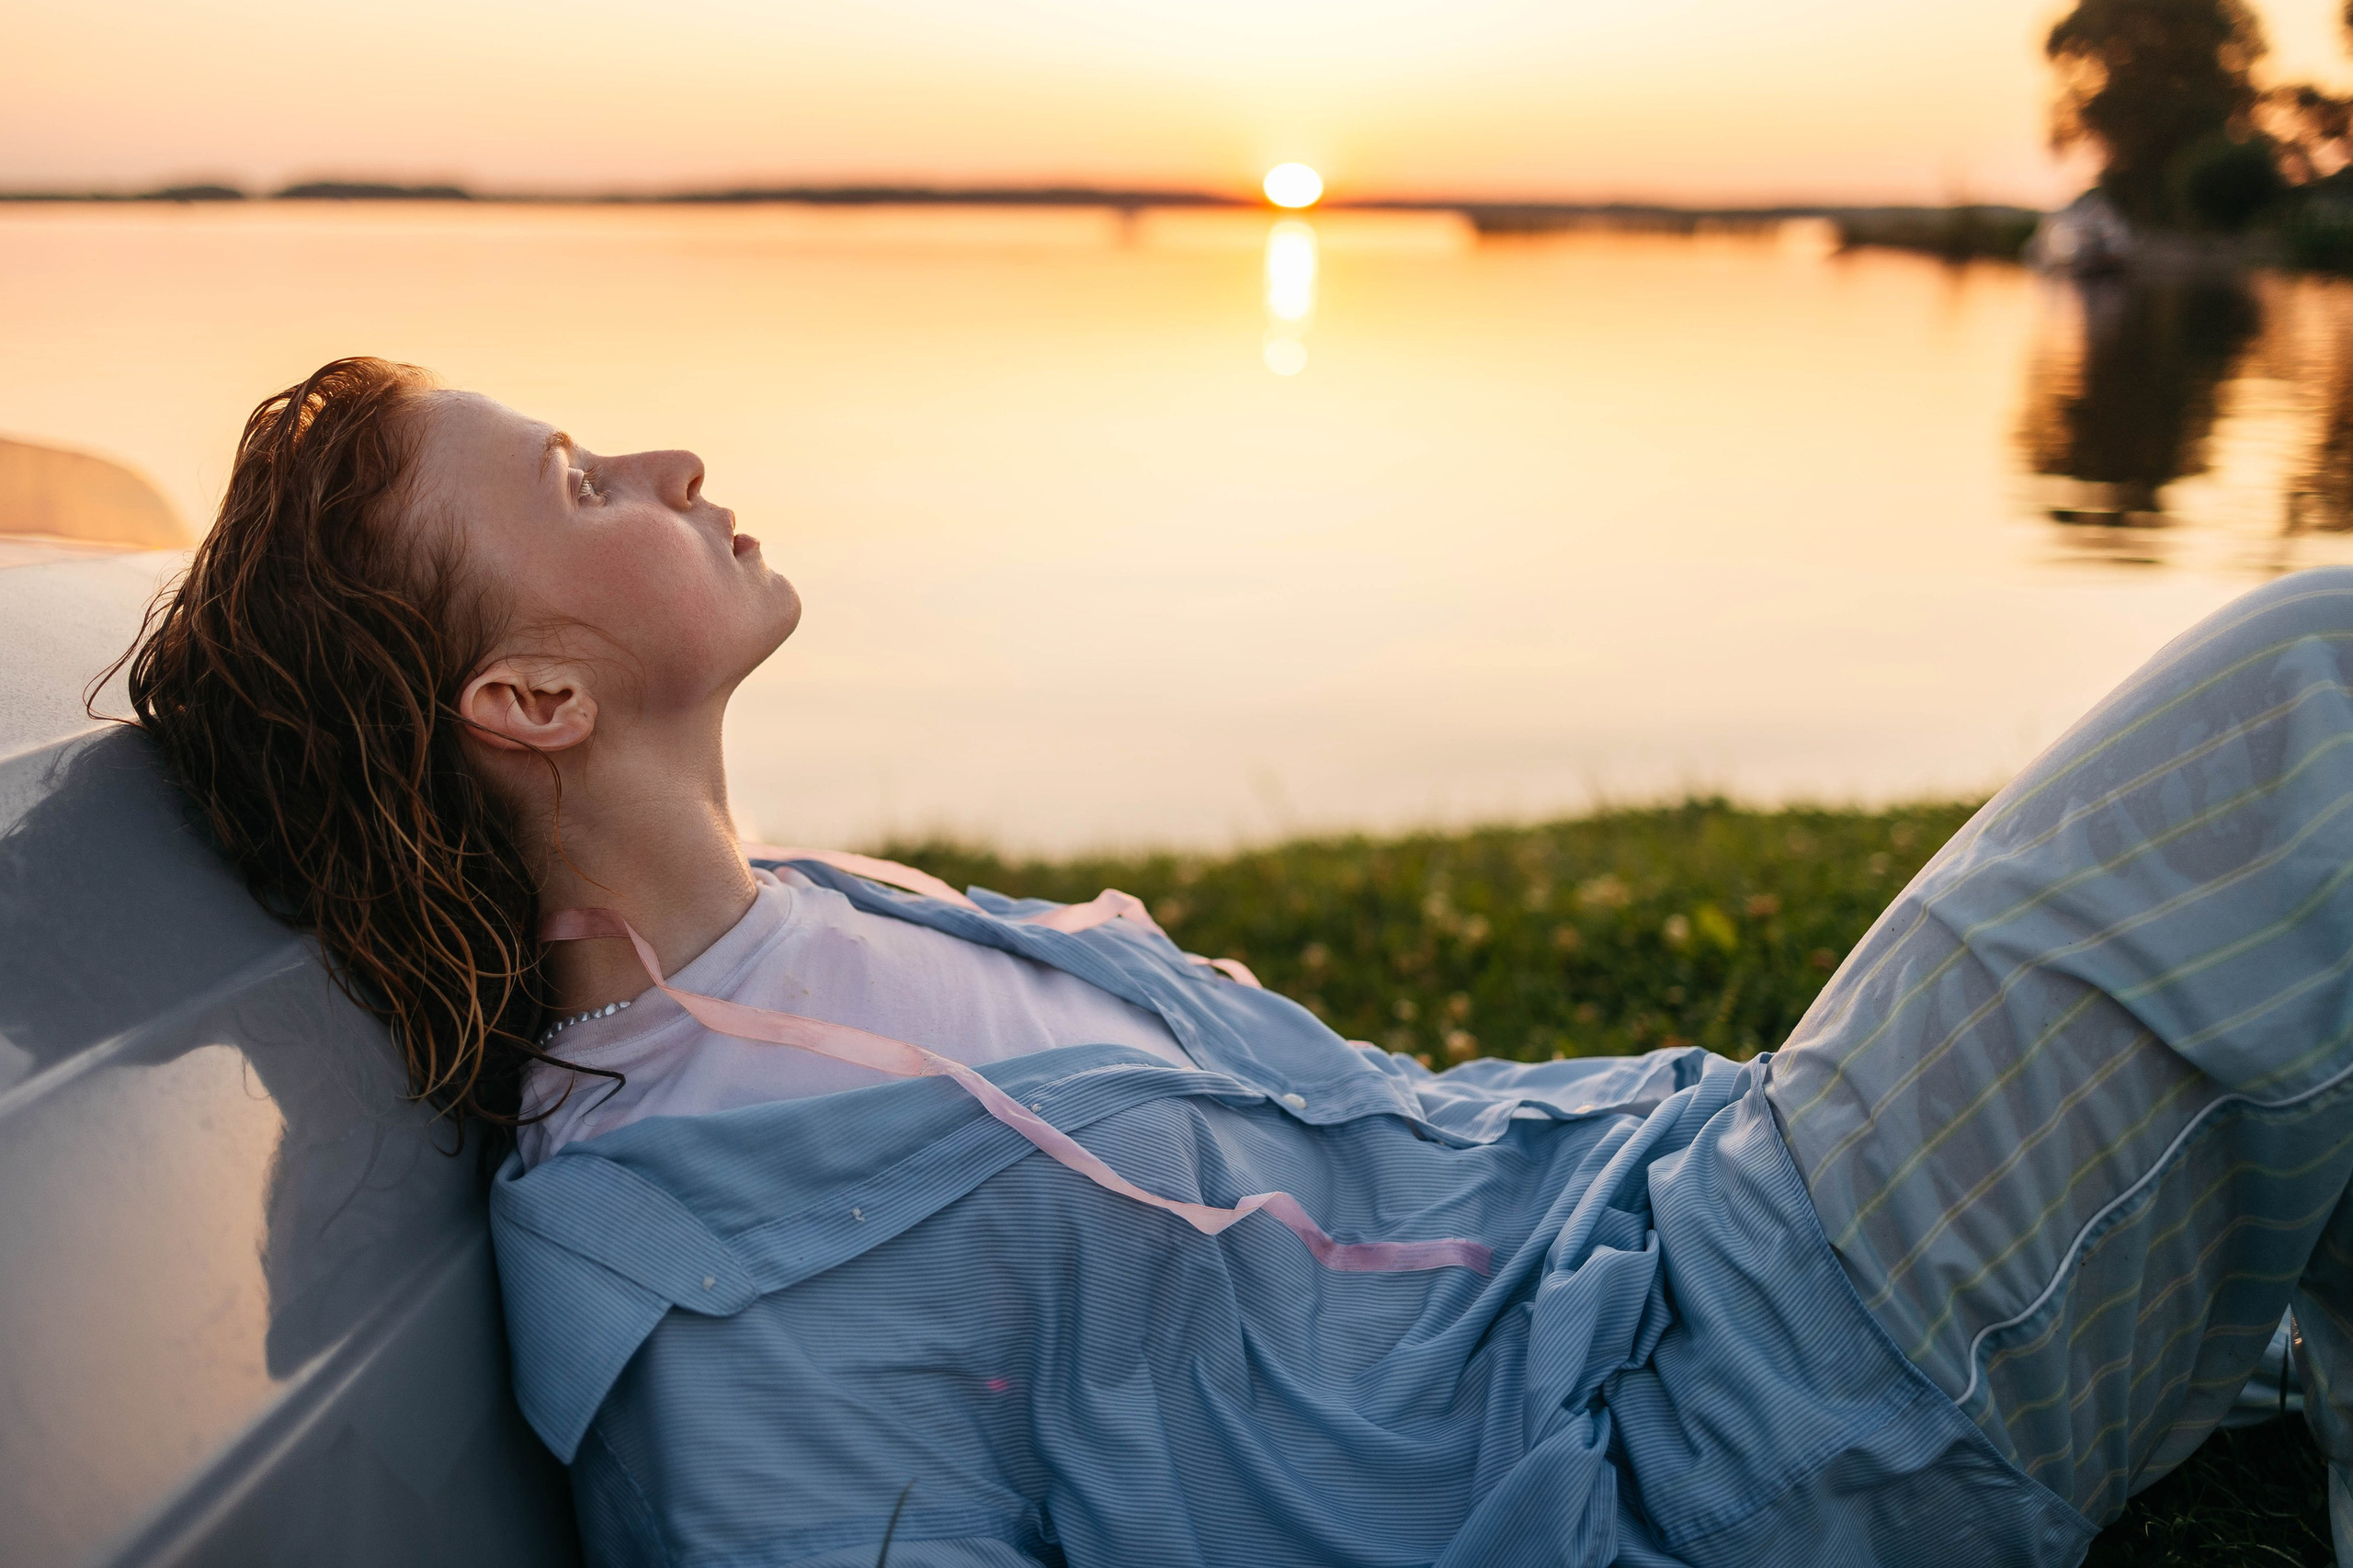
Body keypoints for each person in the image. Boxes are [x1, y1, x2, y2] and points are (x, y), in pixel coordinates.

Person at [123, 356, 2353, 1568]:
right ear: (525, 703)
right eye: (590, 476)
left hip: (1669, 1229)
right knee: (2305, 695)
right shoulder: (681, 1254)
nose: (679, 451)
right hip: (1709, 1442)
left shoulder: (836, 911)